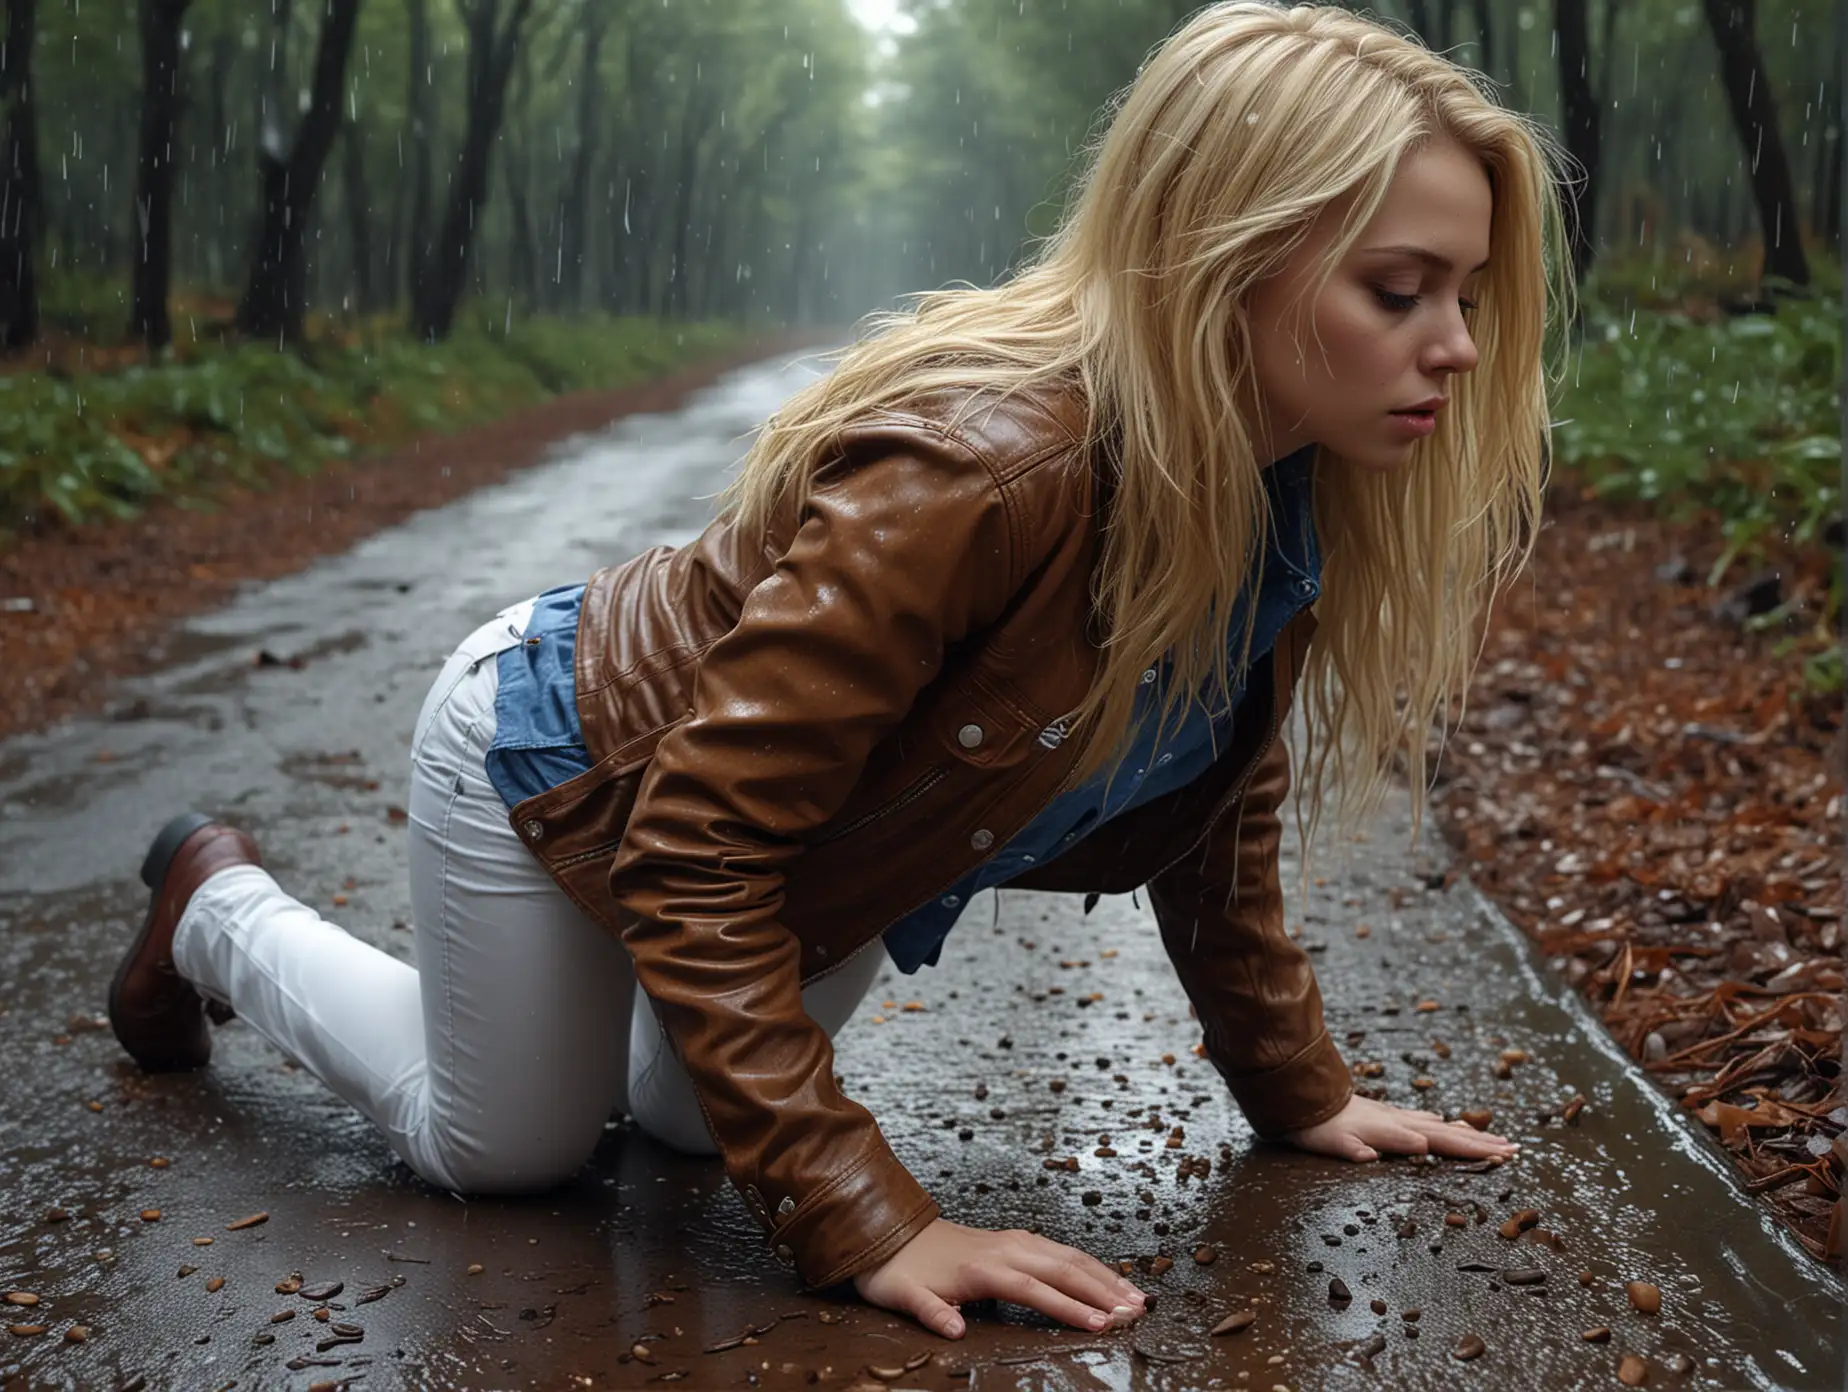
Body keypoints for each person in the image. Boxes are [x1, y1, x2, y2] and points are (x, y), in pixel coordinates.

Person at [108, 0, 1569, 1343]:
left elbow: (1211, 807)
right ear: (1224, 257)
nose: (1453, 346)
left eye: (1468, 295)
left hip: (819, 847)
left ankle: (574, 1015)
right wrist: (867, 1216)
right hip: (568, 752)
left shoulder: (1280, 501)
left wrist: (1298, 1089)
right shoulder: (982, 475)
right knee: (512, 1154)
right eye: (1399, 290)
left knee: (693, 1129)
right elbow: (693, 847)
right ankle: (216, 910)